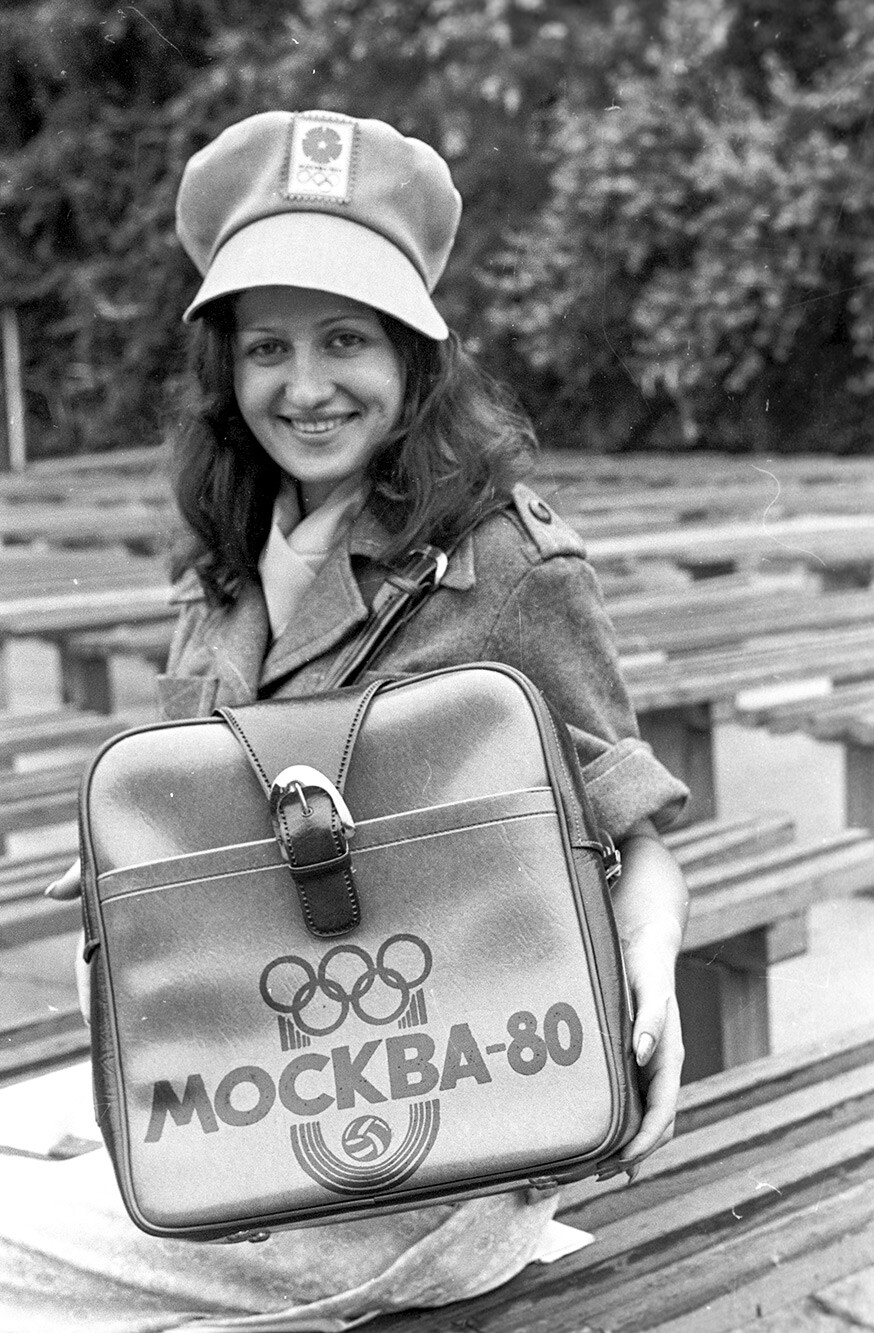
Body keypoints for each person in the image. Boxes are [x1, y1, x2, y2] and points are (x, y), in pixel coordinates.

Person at [7, 109, 690, 1331]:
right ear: (227, 366)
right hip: (244, 1087)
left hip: (439, 1135)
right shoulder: (225, 569)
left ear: (416, 359)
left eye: (346, 341)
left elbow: (631, 830)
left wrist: (652, 967)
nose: (306, 386)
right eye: (268, 347)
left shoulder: (503, 563)